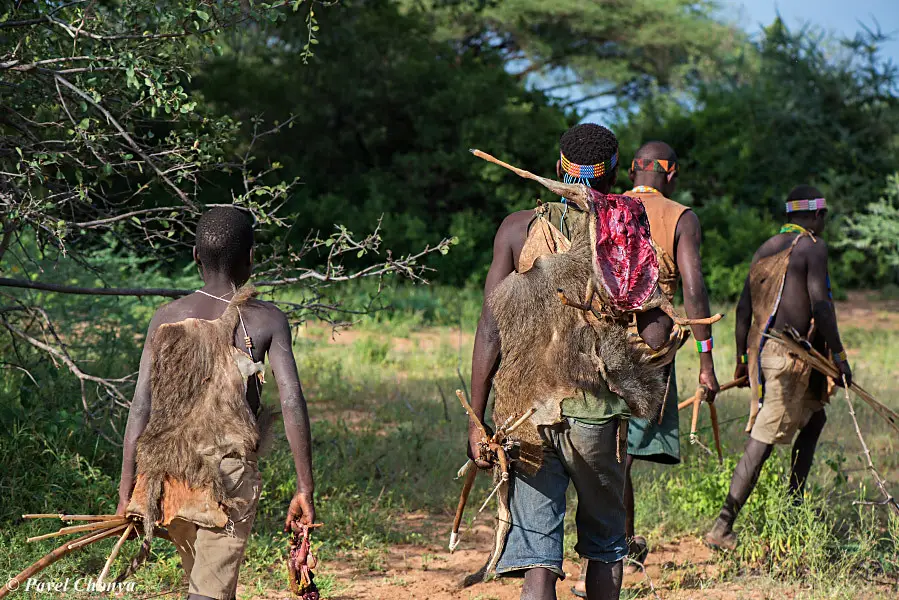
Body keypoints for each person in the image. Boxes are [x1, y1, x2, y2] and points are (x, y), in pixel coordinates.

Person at [468, 123, 672, 600]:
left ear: (559, 169)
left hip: (525, 418)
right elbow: (656, 333)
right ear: (614, 172)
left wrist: (477, 420)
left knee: (539, 559)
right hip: (595, 417)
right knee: (605, 546)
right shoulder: (625, 231)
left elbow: (489, 328)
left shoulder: (517, 229)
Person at [115, 207, 315, 600]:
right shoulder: (265, 319)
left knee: (208, 584)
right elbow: (291, 400)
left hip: (165, 474)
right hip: (225, 477)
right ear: (251, 258)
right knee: (208, 593)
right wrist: (305, 487)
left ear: (195, 256)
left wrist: (128, 488)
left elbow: (140, 407)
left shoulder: (165, 317)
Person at [571, 140, 720, 595]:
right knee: (622, 451)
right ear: (670, 174)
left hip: (593, 342)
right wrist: (706, 359)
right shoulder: (681, 216)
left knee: (612, 446)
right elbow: (693, 291)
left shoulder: (602, 204)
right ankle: (616, 549)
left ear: (633, 171)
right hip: (651, 350)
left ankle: (619, 547)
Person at [704, 185, 851, 550]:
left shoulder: (766, 248)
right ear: (816, 216)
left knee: (814, 419)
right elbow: (822, 306)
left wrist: (741, 363)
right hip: (788, 359)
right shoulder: (812, 247)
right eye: (825, 216)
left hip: (768, 354)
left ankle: (793, 506)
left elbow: (742, 311)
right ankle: (722, 527)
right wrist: (840, 357)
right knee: (763, 440)